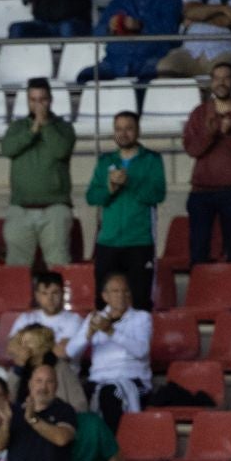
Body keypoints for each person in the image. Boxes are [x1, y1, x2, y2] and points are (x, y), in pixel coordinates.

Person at [86, 111, 166, 312]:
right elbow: (92, 197)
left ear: (138, 130)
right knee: (103, 303)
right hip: (107, 242)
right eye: (119, 129)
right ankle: (105, 343)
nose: (123, 133)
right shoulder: (106, 160)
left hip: (139, 242)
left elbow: (157, 194)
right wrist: (110, 189)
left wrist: (130, 182)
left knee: (140, 302)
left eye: (129, 128)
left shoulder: (152, 159)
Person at [1, 78, 78, 270]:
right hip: (20, 208)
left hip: (55, 209)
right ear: (27, 101)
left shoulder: (63, 127)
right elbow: (7, 149)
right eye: (33, 100)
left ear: (50, 100)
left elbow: (61, 150)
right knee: (16, 269)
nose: (38, 104)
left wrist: (46, 125)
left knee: (58, 265)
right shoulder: (17, 127)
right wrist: (32, 130)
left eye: (42, 99)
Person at [69, 270, 155, 427]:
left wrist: (111, 331)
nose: (121, 295)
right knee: (74, 399)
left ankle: (112, 449)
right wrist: (88, 334)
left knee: (110, 395)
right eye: (115, 291)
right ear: (105, 296)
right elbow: (70, 352)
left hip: (135, 383)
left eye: (125, 291)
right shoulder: (94, 318)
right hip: (97, 380)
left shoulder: (141, 318)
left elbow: (142, 351)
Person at [81, 0, 182, 84]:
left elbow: (170, 32)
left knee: (148, 79)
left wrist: (140, 26)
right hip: (115, 61)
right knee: (85, 77)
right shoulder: (117, 2)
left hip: (150, 59)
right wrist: (109, 27)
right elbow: (96, 33)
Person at [182, 61, 231, 265]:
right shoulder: (199, 113)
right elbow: (192, 149)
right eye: (217, 78)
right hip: (201, 192)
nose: (221, 82)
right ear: (211, 82)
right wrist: (212, 133)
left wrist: (228, 135)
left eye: (226, 77)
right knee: (198, 251)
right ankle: (199, 294)